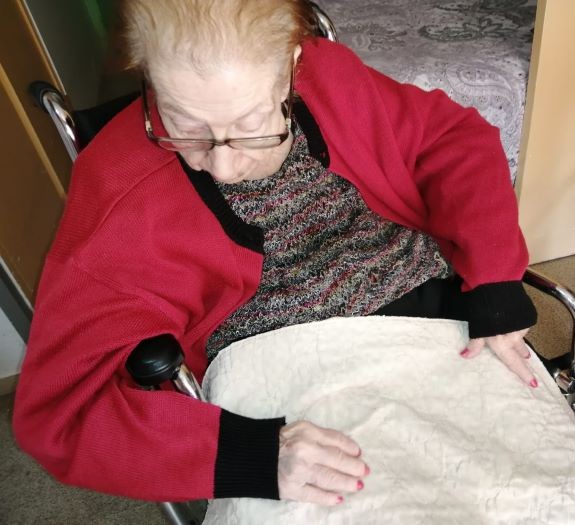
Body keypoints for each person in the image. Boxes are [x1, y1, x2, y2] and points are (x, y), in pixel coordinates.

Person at [13, 0, 537, 508]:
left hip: (426, 306)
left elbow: (453, 138)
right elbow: (58, 413)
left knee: (519, 481)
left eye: (250, 125)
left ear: (291, 66)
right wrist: (249, 455)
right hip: (280, 369)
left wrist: (493, 276)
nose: (221, 166)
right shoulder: (116, 191)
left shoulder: (327, 74)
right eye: (184, 124)